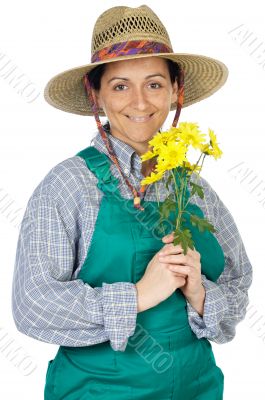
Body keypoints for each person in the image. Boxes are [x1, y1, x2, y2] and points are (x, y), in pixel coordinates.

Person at [11, 5, 253, 400]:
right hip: (97, 392)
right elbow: (33, 305)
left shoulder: (193, 186)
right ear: (96, 95)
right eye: (121, 85)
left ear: (177, 90)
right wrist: (139, 295)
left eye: (155, 84)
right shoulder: (69, 185)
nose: (140, 103)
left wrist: (201, 294)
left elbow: (238, 281)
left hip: (199, 390)